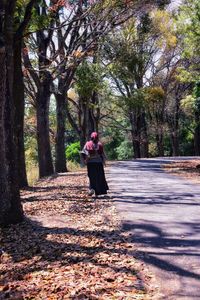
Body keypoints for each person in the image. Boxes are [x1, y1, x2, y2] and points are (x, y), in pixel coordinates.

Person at [81, 132, 109, 196]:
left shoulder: (89, 144)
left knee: (94, 177)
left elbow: (84, 152)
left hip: (92, 163)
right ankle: (96, 190)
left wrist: (86, 160)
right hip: (97, 163)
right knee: (97, 177)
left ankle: (94, 190)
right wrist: (104, 161)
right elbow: (102, 154)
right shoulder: (98, 144)